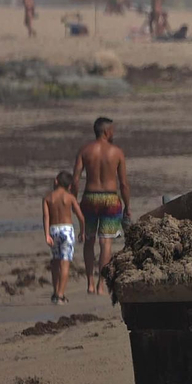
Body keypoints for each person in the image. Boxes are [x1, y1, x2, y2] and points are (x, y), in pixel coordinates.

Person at [73, 116, 130, 296]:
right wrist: (127, 206)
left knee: (89, 240)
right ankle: (101, 285)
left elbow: (75, 181)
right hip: (110, 200)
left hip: (90, 198)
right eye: (112, 130)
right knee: (106, 243)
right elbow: (123, 184)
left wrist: (74, 202)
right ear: (106, 132)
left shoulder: (85, 150)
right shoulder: (117, 152)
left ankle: (89, 283)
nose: (113, 133)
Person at [42, 171, 85, 304]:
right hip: (66, 230)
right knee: (65, 262)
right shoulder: (70, 197)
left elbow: (46, 217)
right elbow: (80, 217)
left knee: (55, 261)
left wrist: (47, 235)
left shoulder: (48, 198)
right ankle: (60, 295)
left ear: (56, 181)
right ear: (70, 186)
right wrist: (82, 231)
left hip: (54, 230)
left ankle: (55, 292)